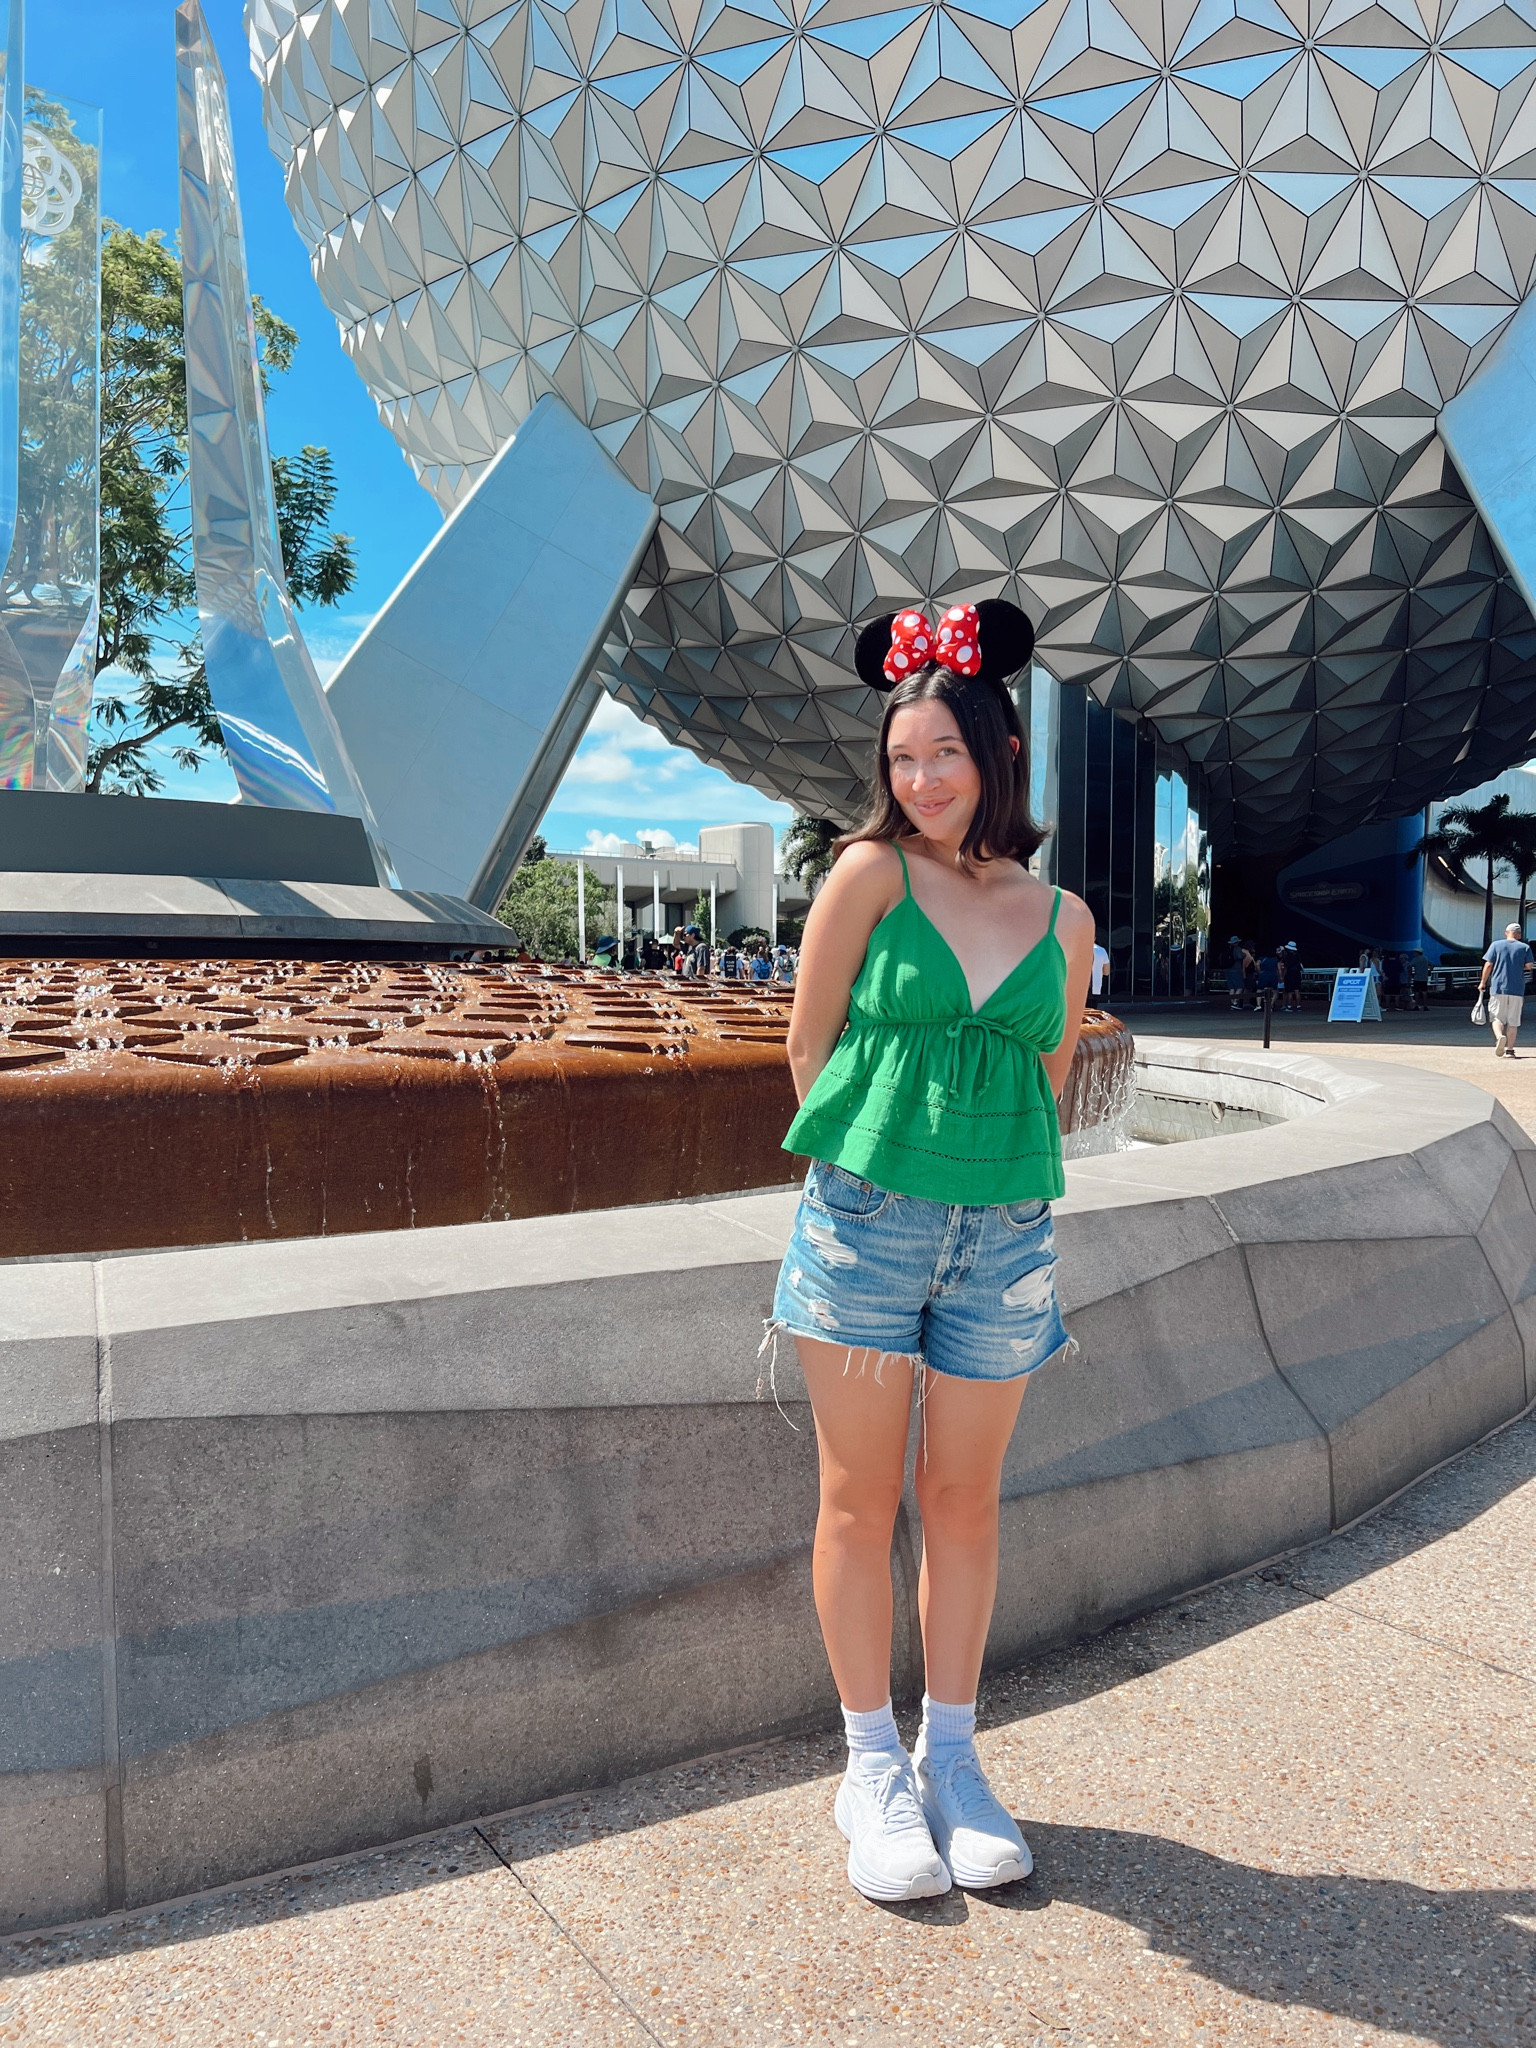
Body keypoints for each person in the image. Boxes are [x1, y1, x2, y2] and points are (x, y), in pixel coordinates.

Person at [771, 597, 1092, 1903]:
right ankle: (869, 1766)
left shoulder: (1060, 915)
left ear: (996, 753)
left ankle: (952, 1756)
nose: (921, 779)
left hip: (1006, 1237)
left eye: (944, 756)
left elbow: (1054, 1079)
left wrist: (979, 1182)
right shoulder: (867, 875)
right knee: (859, 1500)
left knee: (963, 1502)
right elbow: (809, 1043)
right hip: (864, 1221)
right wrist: (874, 1170)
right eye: (902, 759)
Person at [1479, 922, 1534, 1056]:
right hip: (1517, 989)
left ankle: (1499, 1038)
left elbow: (1488, 965)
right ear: (1519, 935)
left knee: (1497, 1017)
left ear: (1506, 933)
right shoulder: (1525, 947)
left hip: (1498, 988)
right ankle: (1510, 1050)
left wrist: (1482, 982)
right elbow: (1529, 966)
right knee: (1513, 1021)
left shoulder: (1496, 945)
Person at [1281, 941, 1303, 1012]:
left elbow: (1285, 968)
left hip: (1289, 974)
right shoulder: (1298, 956)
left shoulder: (1286, 957)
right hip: (1297, 974)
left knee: (1290, 991)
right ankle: (1298, 1006)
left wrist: (1283, 977)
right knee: (1297, 991)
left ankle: (1289, 1006)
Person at [1090, 935, 1110, 1001]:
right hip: (1096, 988)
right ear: (1095, 938)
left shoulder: (1078, 950)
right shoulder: (1101, 950)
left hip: (1079, 989)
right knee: (1093, 1010)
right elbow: (1106, 972)